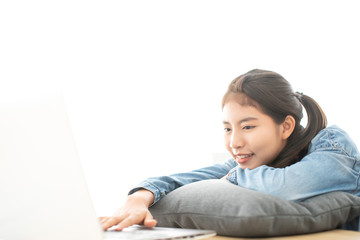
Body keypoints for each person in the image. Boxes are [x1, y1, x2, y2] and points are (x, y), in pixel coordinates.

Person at [101, 69, 360, 231]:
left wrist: (233, 177)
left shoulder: (332, 145)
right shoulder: (254, 163)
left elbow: (287, 187)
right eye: (227, 129)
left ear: (286, 126)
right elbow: (183, 180)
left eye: (247, 127)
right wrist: (138, 197)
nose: (234, 142)